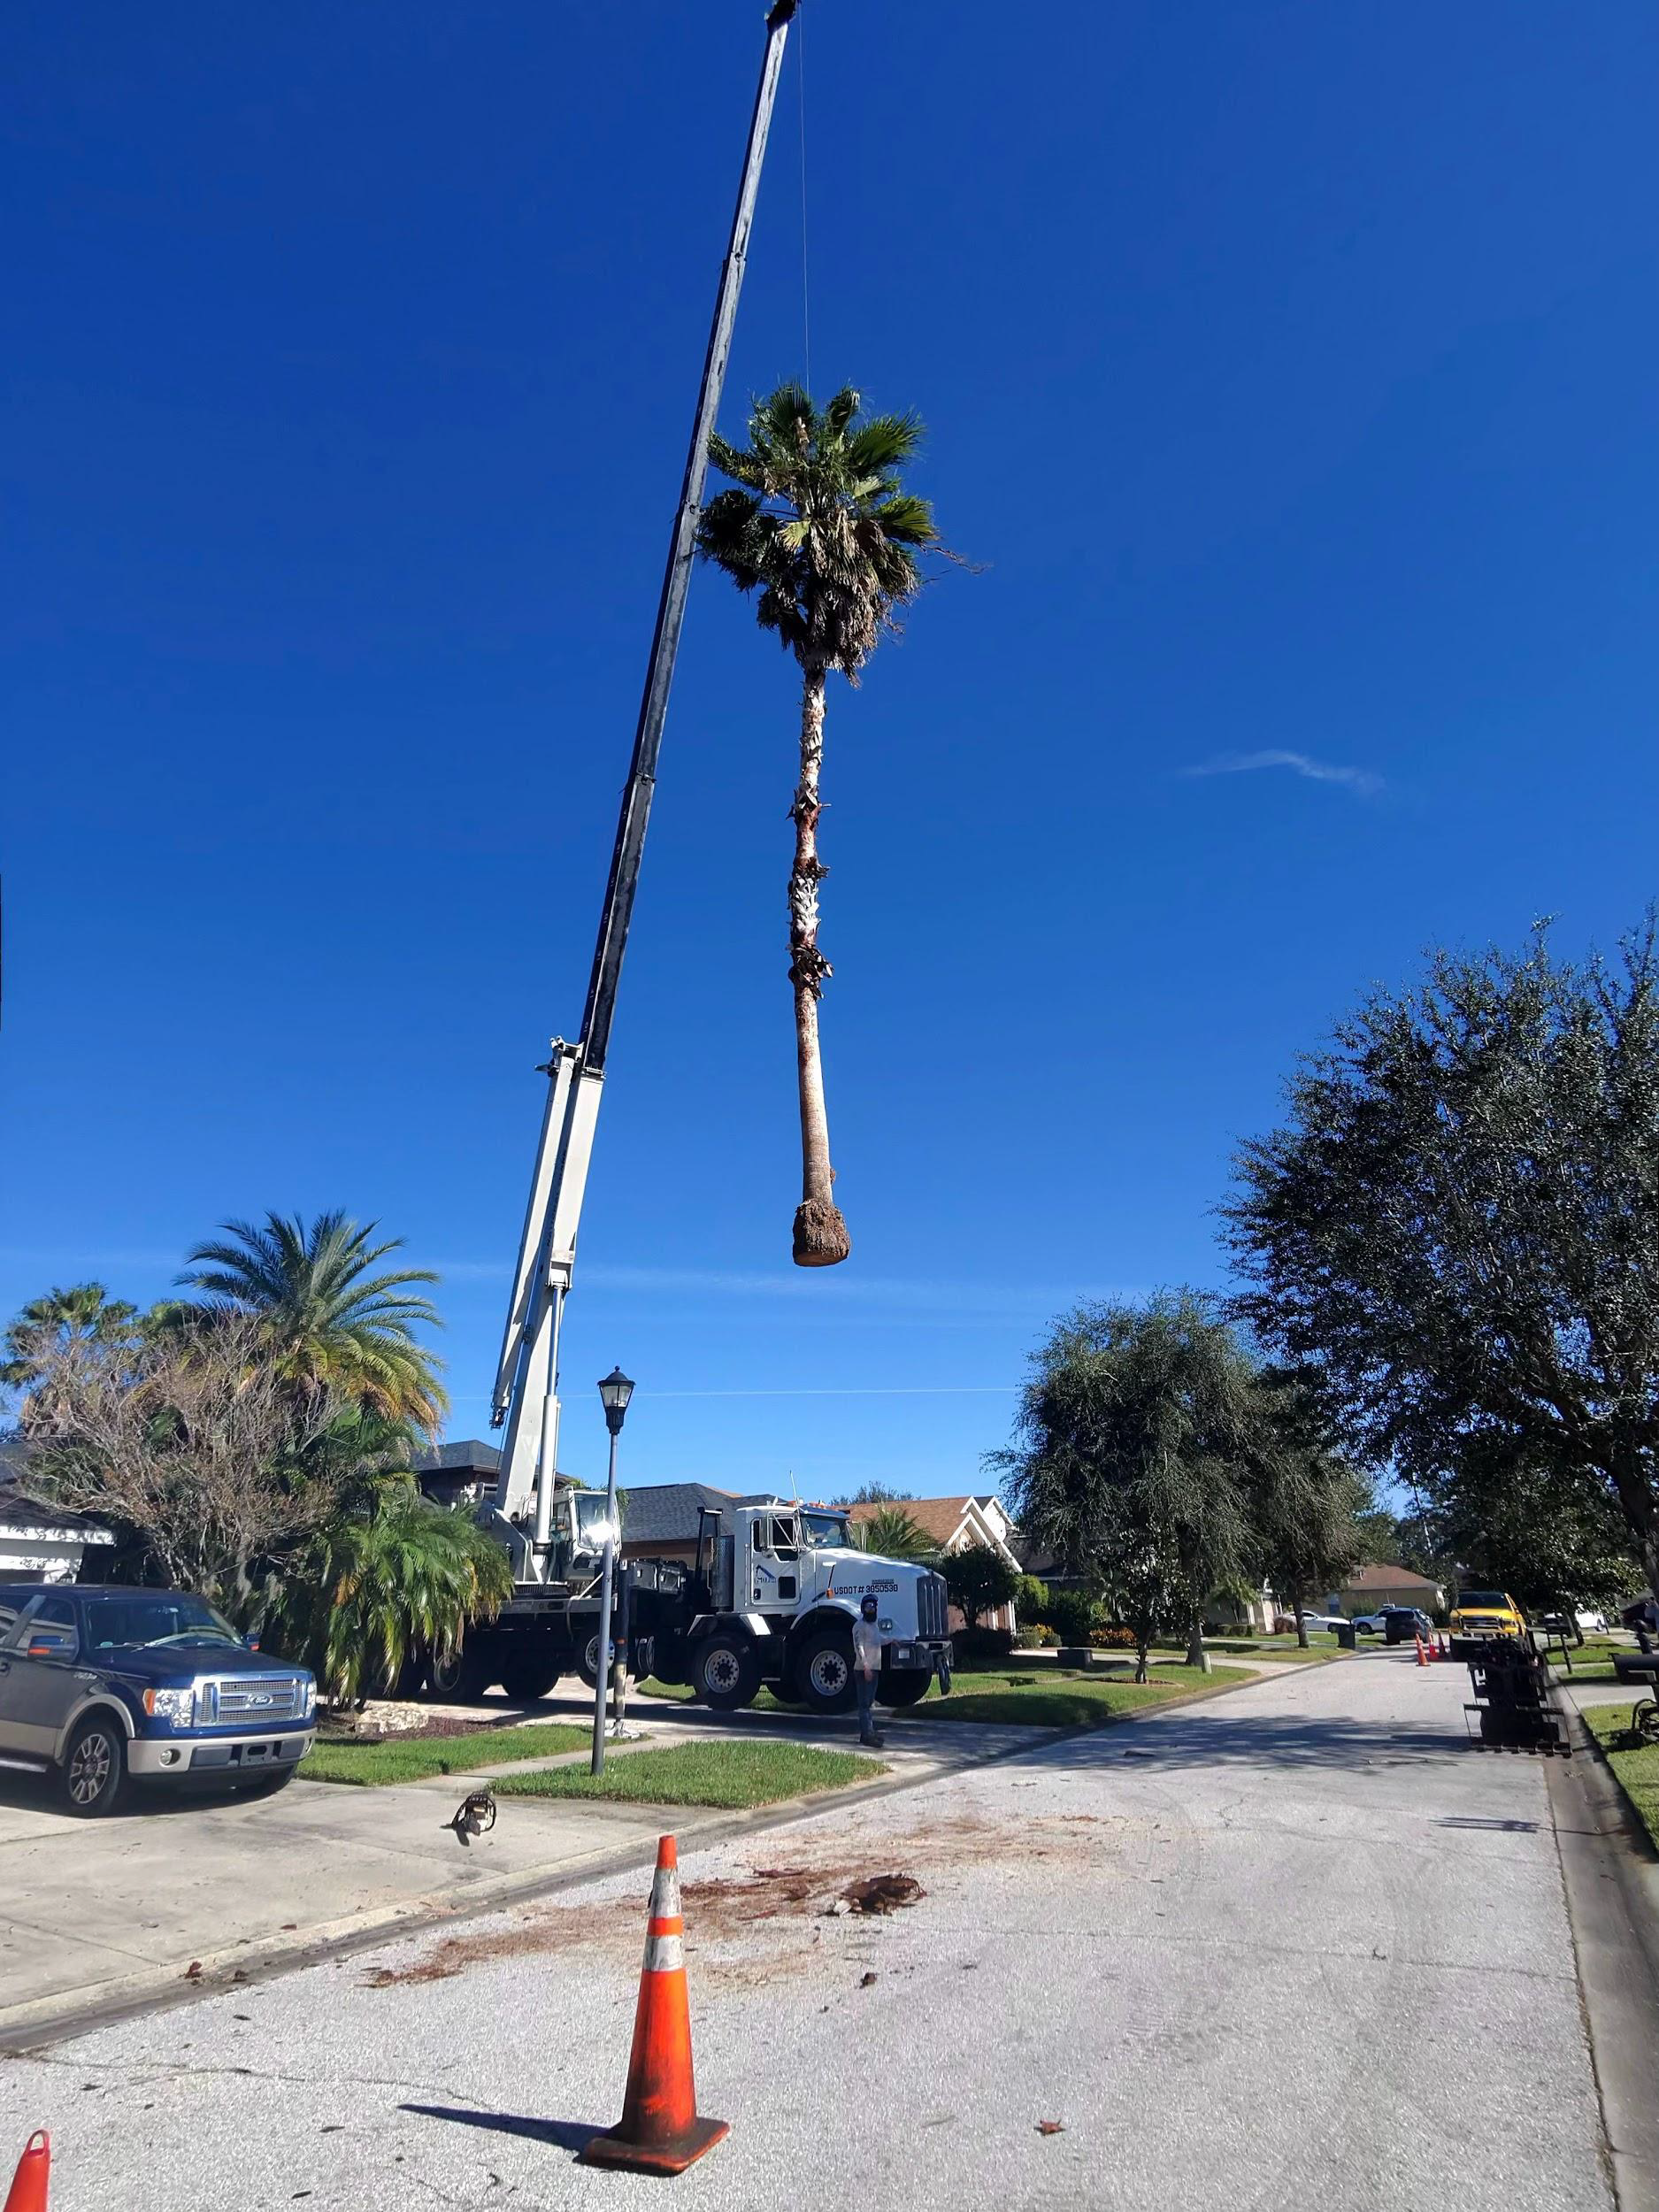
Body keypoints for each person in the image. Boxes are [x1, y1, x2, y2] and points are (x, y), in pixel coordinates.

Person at [853, 1593, 885, 1747]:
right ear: (863, 1608)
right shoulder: (859, 1626)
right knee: (864, 1704)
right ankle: (868, 1736)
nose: (871, 1609)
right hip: (864, 1670)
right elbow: (859, 1647)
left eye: (873, 1606)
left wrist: (893, 1641)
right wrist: (865, 1666)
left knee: (869, 1702)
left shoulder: (874, 1625)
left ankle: (867, 1732)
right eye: (868, 1606)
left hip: (874, 1669)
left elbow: (877, 1641)